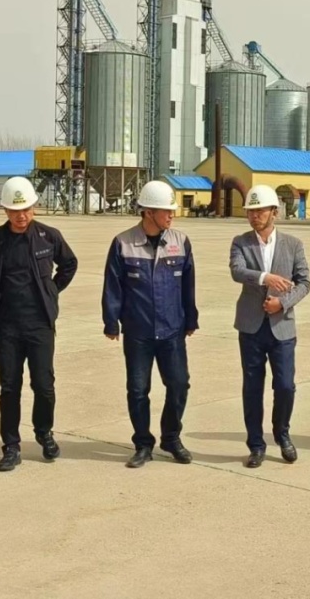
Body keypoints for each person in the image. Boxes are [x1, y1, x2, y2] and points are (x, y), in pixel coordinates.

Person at [0, 176, 78, 472]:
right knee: (9, 387)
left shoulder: (48, 236)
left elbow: (69, 264)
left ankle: (44, 433)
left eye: (26, 209)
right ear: (5, 210)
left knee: (44, 385)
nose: (21, 216)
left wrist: (52, 290)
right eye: (15, 211)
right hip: (7, 327)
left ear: (34, 207)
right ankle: (11, 446)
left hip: (40, 324)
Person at [102, 179, 198, 468]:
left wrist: (191, 319)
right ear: (148, 212)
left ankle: (171, 437)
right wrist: (111, 321)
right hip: (138, 332)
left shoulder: (181, 242)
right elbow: (113, 286)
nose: (172, 215)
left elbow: (188, 286)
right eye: (166, 210)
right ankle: (143, 443)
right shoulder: (123, 242)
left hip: (172, 330)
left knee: (179, 384)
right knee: (137, 389)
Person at [229, 184, 310, 467]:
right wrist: (266, 277)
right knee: (252, 387)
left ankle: (282, 433)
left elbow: (304, 282)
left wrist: (283, 303)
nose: (254, 216)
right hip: (251, 327)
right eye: (250, 211)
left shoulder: (293, 244)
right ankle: (256, 444)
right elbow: (237, 271)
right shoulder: (241, 242)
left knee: (285, 385)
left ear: (274, 212)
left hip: (282, 327)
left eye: (260, 211)